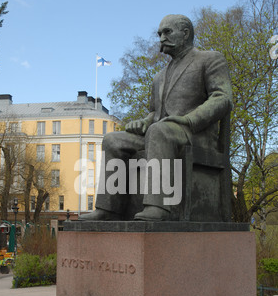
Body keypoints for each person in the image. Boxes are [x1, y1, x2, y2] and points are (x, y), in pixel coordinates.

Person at [80, 14, 233, 222]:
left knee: (159, 131)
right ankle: (109, 209)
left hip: (196, 134)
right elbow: (155, 113)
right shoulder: (158, 77)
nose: (161, 38)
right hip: (160, 132)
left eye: (167, 32)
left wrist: (189, 120)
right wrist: (143, 122)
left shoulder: (209, 59)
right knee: (113, 140)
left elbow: (223, 98)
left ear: (185, 33)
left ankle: (159, 207)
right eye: (159, 34)